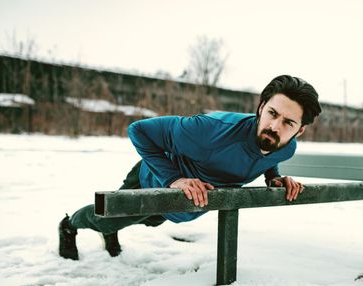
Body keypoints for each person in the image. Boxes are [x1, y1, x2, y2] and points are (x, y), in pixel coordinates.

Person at [58, 75, 322, 260]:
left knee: (150, 223)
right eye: (272, 114)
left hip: (181, 206)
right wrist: (175, 179)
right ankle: (69, 225)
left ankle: (115, 228)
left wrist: (273, 178)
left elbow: (267, 157)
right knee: (109, 218)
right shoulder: (209, 131)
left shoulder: (286, 146)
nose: (275, 127)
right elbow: (139, 131)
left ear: (300, 130)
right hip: (152, 181)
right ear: (261, 107)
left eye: (288, 123)